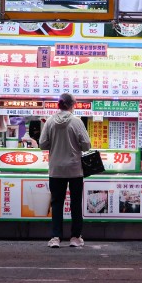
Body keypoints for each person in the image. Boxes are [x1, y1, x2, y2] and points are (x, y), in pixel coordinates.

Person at [39, 93, 91, 248]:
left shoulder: (49, 121)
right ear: (72, 104)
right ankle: (75, 238)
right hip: (75, 169)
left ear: (59, 105)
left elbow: (42, 144)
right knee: (75, 203)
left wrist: (54, 143)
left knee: (56, 203)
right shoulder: (77, 122)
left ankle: (55, 237)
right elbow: (86, 145)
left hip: (56, 169)